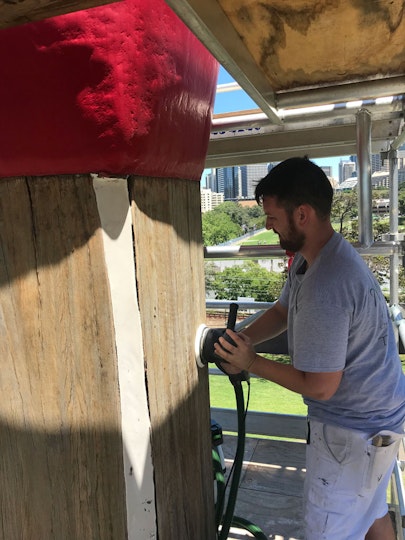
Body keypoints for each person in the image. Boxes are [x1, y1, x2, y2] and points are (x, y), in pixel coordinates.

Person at [214, 157, 405, 540]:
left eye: (272, 216)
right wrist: (241, 338)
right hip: (380, 422)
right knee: (371, 514)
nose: (267, 225)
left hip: (352, 435)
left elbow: (321, 386)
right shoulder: (313, 258)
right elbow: (283, 311)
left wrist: (250, 361)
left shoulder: (327, 284)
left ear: (302, 214)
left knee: (328, 530)